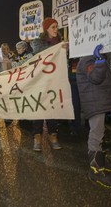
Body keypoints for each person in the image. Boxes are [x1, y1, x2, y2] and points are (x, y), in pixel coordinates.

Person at [76, 44, 111, 188]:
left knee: (99, 133)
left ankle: (101, 162)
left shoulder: (91, 58)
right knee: (96, 135)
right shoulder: (87, 60)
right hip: (95, 103)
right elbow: (96, 78)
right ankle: (95, 170)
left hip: (99, 101)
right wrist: (100, 62)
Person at [30, 17, 63, 151]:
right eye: (53, 27)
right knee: (39, 107)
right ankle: (37, 136)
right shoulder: (38, 42)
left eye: (57, 27)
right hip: (40, 80)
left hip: (54, 80)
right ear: (46, 29)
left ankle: (53, 135)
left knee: (51, 107)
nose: (56, 29)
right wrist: (59, 47)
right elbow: (39, 52)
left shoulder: (60, 42)